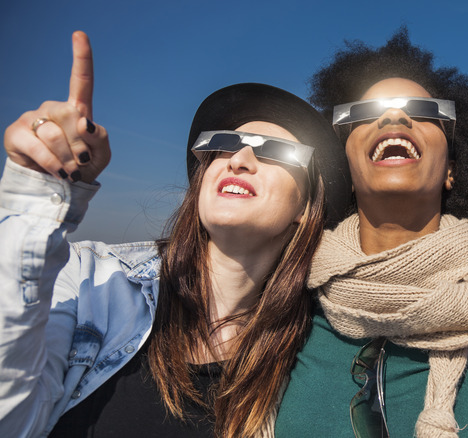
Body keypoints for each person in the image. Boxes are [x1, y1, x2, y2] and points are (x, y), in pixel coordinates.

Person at [0, 31, 351, 437]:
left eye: (275, 151)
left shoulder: (315, 351)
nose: (239, 159)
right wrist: (38, 196)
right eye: (226, 143)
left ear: (306, 208)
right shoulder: (91, 283)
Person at [274, 29, 468, 437]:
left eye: (424, 110)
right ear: (346, 172)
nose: (394, 117)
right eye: (367, 112)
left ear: (452, 171)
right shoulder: (288, 299)